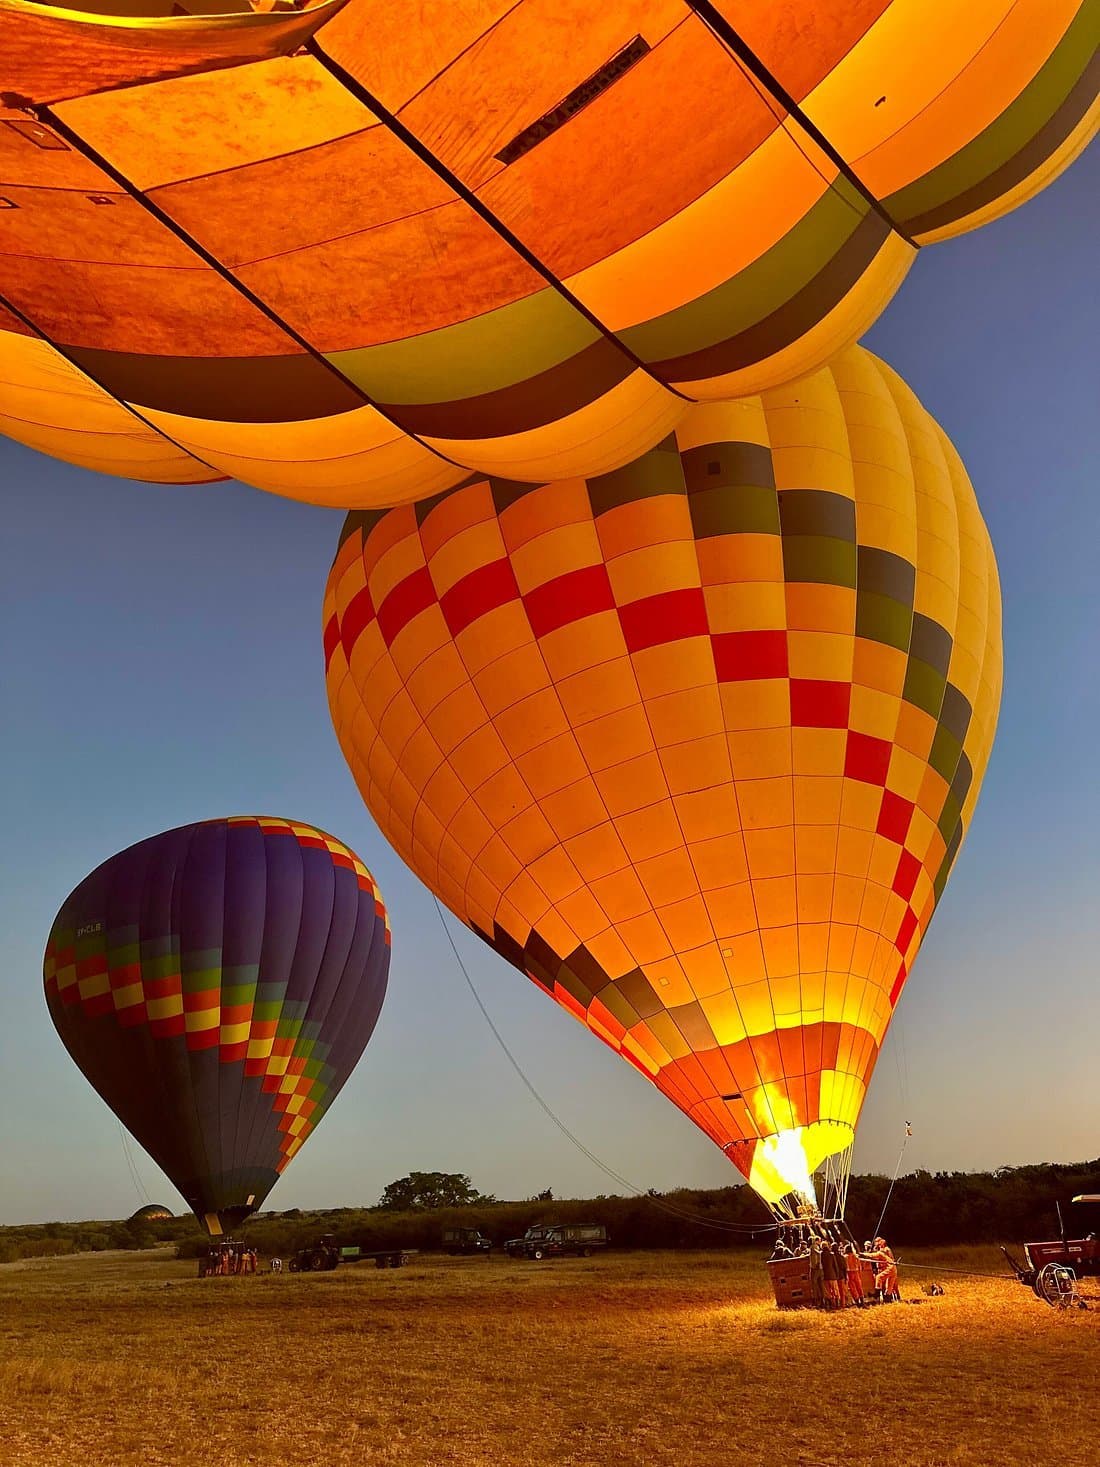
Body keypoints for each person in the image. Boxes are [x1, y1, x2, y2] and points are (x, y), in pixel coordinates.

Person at [868, 1236, 899, 1301]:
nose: (876, 1244)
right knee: (886, 1286)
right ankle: (886, 1298)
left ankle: (880, 1295)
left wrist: (870, 1253)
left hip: (887, 1268)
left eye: (877, 1242)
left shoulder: (885, 1249)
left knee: (885, 1282)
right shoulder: (882, 1249)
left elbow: (878, 1255)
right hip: (885, 1268)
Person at [844, 1242, 866, 1306]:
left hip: (849, 1273)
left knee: (852, 1288)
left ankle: (857, 1302)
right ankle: (862, 1301)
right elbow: (859, 1265)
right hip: (856, 1272)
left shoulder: (845, 1257)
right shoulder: (855, 1256)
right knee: (859, 1286)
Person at [808, 1234, 825, 1309]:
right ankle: (822, 1301)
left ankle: (816, 1302)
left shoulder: (813, 1247)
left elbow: (816, 1253)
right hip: (820, 1268)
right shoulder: (818, 1247)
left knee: (814, 1285)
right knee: (821, 1285)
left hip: (815, 1269)